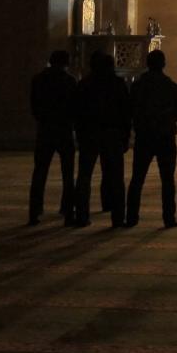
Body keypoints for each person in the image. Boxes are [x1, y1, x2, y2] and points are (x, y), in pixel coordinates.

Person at [125, 50, 177, 229]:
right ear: (163, 64)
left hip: (144, 137)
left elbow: (129, 111)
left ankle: (131, 217)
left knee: (137, 179)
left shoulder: (137, 86)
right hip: (165, 138)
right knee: (167, 180)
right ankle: (169, 218)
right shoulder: (171, 86)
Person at [73, 52, 131, 228]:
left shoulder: (84, 84)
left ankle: (82, 215)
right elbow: (125, 113)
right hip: (112, 134)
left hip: (90, 133)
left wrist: (80, 134)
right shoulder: (117, 84)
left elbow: (77, 112)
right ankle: (117, 216)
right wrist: (126, 136)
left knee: (84, 176)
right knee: (115, 176)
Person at [28, 49, 78, 226]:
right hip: (64, 130)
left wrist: (43, 119)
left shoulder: (38, 79)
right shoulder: (69, 81)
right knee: (68, 174)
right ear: (66, 62)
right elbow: (74, 106)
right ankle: (68, 211)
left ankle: (34, 211)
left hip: (45, 129)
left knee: (40, 172)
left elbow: (34, 105)